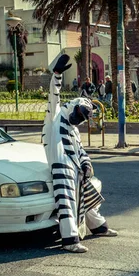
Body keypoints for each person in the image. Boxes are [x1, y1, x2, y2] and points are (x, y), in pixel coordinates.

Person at [43, 54, 117, 254]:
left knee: (88, 197)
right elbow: (53, 95)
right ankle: (69, 239)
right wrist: (57, 75)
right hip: (61, 167)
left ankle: (99, 227)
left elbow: (81, 149)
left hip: (75, 168)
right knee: (67, 202)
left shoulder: (73, 128)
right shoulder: (55, 118)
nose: (80, 120)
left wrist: (86, 163)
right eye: (80, 115)